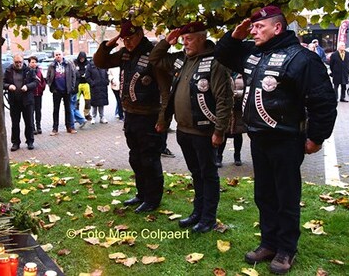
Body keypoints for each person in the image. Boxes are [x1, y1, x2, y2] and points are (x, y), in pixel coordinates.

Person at [214, 6, 337, 274]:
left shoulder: (302, 58)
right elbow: (223, 54)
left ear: (278, 28)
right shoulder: (254, 54)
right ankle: (268, 243)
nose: (253, 31)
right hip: (259, 139)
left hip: (286, 141)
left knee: (286, 196)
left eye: (259, 27)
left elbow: (323, 101)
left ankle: (286, 249)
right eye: (252, 27)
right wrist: (235, 36)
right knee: (264, 195)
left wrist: (316, 137)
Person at [150, 22, 233, 233]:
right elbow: (155, 60)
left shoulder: (215, 62)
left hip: (204, 131)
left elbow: (224, 99)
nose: (184, 43)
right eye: (183, 39)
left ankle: (208, 218)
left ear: (202, 38)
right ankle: (198, 211)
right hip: (184, 130)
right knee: (196, 173)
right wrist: (168, 41)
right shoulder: (181, 59)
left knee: (208, 174)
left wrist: (219, 130)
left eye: (189, 39)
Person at [94, 20, 170, 213]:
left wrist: (163, 118)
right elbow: (101, 62)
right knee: (135, 158)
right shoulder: (126, 54)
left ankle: (153, 199)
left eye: (131, 38)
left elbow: (164, 89)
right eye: (124, 39)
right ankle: (142, 194)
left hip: (149, 116)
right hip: (131, 115)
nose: (127, 43)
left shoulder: (153, 53)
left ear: (140, 35)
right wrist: (110, 44)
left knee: (149, 159)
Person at [4, 54, 37, 150]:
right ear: (13, 62)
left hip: (27, 101)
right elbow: (2, 82)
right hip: (14, 101)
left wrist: (28, 86)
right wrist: (8, 86)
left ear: (23, 62)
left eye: (20, 62)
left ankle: (30, 141)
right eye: (16, 62)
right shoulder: (8, 71)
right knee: (15, 123)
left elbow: (35, 82)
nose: (18, 64)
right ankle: (15, 143)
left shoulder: (29, 71)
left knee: (29, 122)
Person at [216, 72, 245, 167]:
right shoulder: (224, 72)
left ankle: (237, 156)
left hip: (238, 108)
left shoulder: (242, 73)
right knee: (223, 132)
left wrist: (239, 94)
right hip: (226, 108)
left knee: (238, 133)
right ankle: (218, 157)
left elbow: (249, 88)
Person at [46, 50, 77, 135]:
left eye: (59, 54)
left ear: (62, 55)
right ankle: (55, 129)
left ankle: (69, 127)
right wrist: (51, 86)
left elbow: (73, 76)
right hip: (56, 91)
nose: (58, 56)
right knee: (56, 110)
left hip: (67, 90)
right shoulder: (52, 66)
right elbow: (48, 77)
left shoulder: (68, 64)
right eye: (56, 55)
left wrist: (72, 87)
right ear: (54, 56)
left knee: (68, 110)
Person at [85, 59, 110, 124]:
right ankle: (93, 117)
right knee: (94, 104)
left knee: (101, 103)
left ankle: (102, 117)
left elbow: (106, 74)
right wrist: (92, 83)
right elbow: (87, 77)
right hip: (95, 88)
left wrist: (106, 81)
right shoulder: (90, 66)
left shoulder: (103, 64)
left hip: (102, 87)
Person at [28, 56, 47, 134]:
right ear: (29, 63)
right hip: (30, 95)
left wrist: (42, 88)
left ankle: (38, 126)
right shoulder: (27, 71)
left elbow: (43, 81)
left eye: (35, 62)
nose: (34, 64)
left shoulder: (39, 71)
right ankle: (32, 127)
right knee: (31, 111)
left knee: (38, 111)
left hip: (38, 94)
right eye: (32, 62)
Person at [75, 51, 92, 121]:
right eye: (81, 58)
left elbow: (89, 72)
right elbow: (74, 71)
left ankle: (87, 114)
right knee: (76, 101)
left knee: (88, 101)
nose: (82, 59)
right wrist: (80, 75)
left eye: (83, 58)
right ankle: (77, 115)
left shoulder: (88, 63)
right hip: (78, 84)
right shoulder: (75, 63)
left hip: (86, 83)